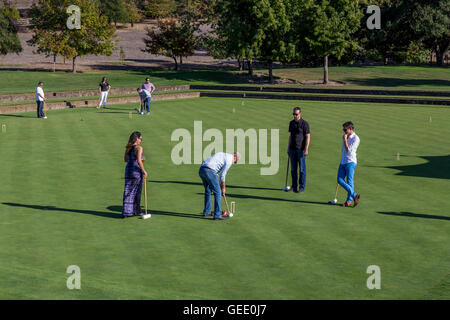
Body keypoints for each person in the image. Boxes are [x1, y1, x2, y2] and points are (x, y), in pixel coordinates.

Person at [198, 152, 240, 220]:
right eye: (235, 161)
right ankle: (217, 215)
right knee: (218, 192)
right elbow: (222, 175)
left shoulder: (221, 154)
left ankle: (207, 212)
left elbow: (217, 172)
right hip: (210, 171)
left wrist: (219, 183)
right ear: (235, 157)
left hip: (202, 169)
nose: (234, 162)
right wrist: (223, 188)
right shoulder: (229, 160)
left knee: (208, 190)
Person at [122, 131, 148, 218]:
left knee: (128, 191)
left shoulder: (128, 148)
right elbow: (139, 161)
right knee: (137, 191)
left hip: (128, 171)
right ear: (137, 139)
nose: (141, 140)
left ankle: (126, 212)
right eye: (140, 138)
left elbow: (125, 159)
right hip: (136, 171)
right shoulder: (139, 148)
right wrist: (144, 171)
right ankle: (137, 211)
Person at [337, 121, 360, 207]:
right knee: (339, 180)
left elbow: (349, 150)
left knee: (350, 182)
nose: (344, 131)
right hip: (343, 162)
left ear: (350, 129)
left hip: (351, 162)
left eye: (345, 130)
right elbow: (343, 150)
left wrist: (345, 139)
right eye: (343, 130)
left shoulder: (356, 138)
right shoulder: (345, 136)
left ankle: (348, 201)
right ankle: (355, 195)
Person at [287, 107, 310, 193]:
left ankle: (301, 187)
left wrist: (306, 149)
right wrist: (288, 148)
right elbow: (290, 136)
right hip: (292, 149)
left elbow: (308, 136)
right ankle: (293, 186)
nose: (295, 116)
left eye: (296, 114)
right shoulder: (291, 123)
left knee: (302, 170)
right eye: (294, 114)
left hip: (301, 149)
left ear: (300, 114)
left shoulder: (305, 124)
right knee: (293, 169)